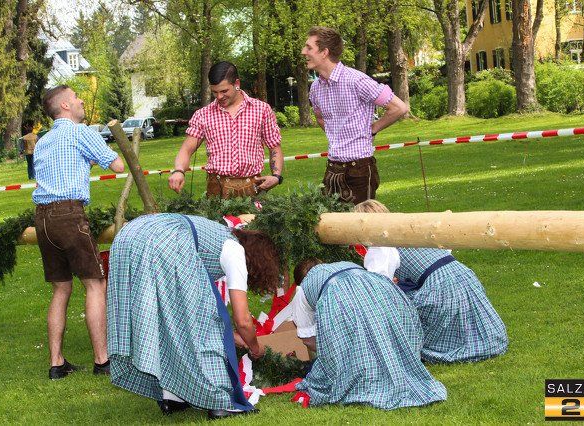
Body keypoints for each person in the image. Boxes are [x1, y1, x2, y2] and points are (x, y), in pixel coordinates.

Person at [107, 214, 281, 418]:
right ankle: (219, 402)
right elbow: (242, 320)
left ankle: (172, 396)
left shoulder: (217, 237)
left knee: (164, 319)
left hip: (129, 236)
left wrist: (232, 336)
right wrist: (255, 347)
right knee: (204, 324)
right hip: (165, 240)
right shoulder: (235, 250)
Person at [32, 85, 125, 380]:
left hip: (42, 219)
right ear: (65, 106)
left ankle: (56, 363)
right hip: (69, 215)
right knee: (95, 284)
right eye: (76, 97)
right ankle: (102, 360)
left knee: (61, 289)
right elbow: (118, 165)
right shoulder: (81, 132)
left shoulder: (43, 141)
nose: (81, 100)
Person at [354, 200, 509, 363]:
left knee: (396, 302)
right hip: (463, 276)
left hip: (441, 288)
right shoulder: (411, 231)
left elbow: (377, 286)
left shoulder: (382, 245)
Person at [290, 259, 447, 409]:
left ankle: (369, 378)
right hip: (379, 287)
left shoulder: (303, 289)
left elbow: (308, 339)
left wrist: (335, 358)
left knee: (352, 352)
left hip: (339, 295)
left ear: (300, 281)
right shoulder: (343, 266)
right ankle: (392, 371)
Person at [301, 26, 409, 205]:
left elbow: (399, 107)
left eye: (309, 47)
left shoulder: (357, 80)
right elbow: (320, 118)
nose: (303, 52)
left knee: (361, 221)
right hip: (332, 167)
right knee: (330, 221)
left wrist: (373, 129)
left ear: (324, 52)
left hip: (359, 169)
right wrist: (337, 135)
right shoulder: (316, 88)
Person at [168, 61, 284, 198]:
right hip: (216, 189)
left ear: (237, 84)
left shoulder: (261, 110)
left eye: (224, 91)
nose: (219, 97)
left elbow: (274, 146)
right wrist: (179, 171)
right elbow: (186, 149)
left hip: (253, 188)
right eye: (215, 92)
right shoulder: (203, 115)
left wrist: (276, 176)